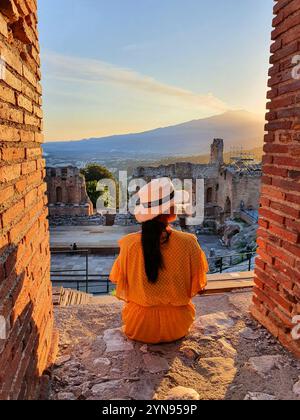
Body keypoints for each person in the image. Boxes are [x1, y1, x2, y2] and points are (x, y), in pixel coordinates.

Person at [109, 178, 208, 344]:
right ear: (169, 210)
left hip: (139, 326)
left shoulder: (128, 244)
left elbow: (120, 282)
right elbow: (199, 287)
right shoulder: (189, 242)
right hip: (177, 326)